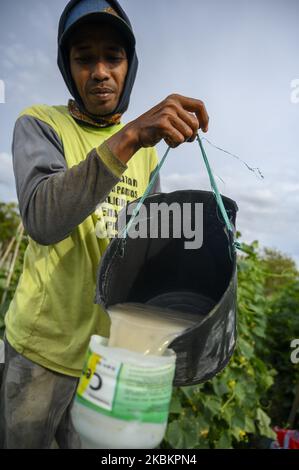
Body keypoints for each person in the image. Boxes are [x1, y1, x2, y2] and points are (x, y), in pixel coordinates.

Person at [0, 0, 209, 449]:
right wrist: (130, 136)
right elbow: (42, 218)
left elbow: (146, 242)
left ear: (129, 66)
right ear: (67, 68)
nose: (99, 71)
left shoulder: (149, 154)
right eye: (84, 58)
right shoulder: (40, 123)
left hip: (106, 355)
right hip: (42, 349)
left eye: (112, 57)